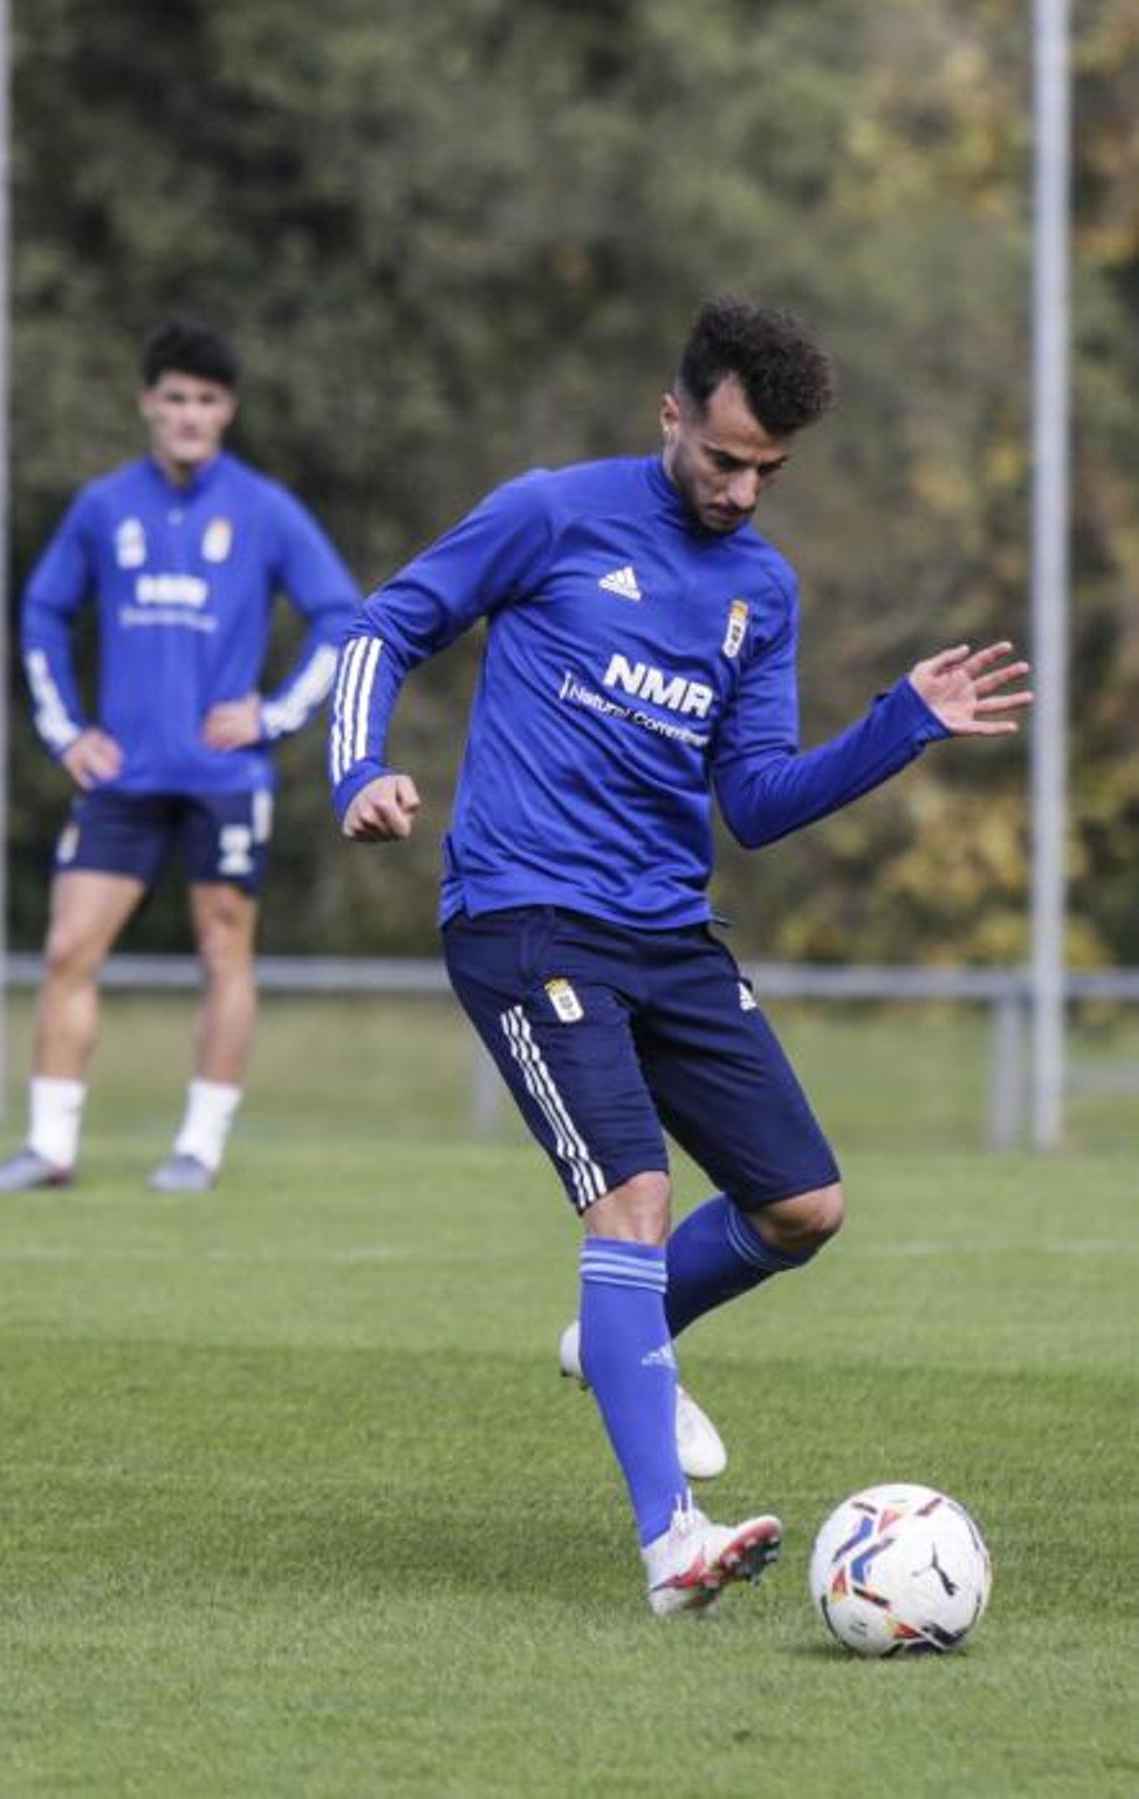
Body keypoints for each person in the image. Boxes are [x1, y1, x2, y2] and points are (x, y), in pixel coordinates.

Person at [327, 297, 1031, 1616]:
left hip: (667, 930)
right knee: (635, 1197)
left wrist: (901, 723)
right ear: (671, 414)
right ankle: (671, 1543)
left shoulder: (763, 590)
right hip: (526, 918)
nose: (742, 490)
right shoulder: (553, 513)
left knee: (803, 1207)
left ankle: (622, 1336)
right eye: (724, 459)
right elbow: (381, 627)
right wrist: (357, 767)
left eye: (770, 470)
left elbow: (754, 801)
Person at [0, 316, 361, 1194]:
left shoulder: (265, 509)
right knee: (69, 946)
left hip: (226, 777)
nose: (189, 414)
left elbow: (341, 618)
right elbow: (42, 613)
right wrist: (67, 731)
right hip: (123, 774)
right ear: (148, 402)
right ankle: (49, 1146)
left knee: (223, 951)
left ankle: (199, 1148)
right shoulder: (103, 507)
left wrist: (272, 714)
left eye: (207, 400)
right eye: (176, 397)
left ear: (229, 411)